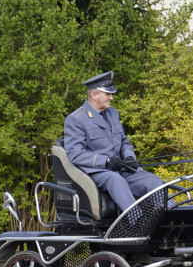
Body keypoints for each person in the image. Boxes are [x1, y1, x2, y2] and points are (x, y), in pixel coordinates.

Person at [63, 71, 164, 213]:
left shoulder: (113, 113)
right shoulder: (76, 119)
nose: (111, 97)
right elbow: (75, 154)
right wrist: (107, 161)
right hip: (97, 171)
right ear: (94, 95)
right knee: (115, 180)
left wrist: (129, 157)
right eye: (107, 94)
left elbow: (124, 141)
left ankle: (172, 218)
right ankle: (138, 222)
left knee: (152, 180)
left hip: (120, 168)